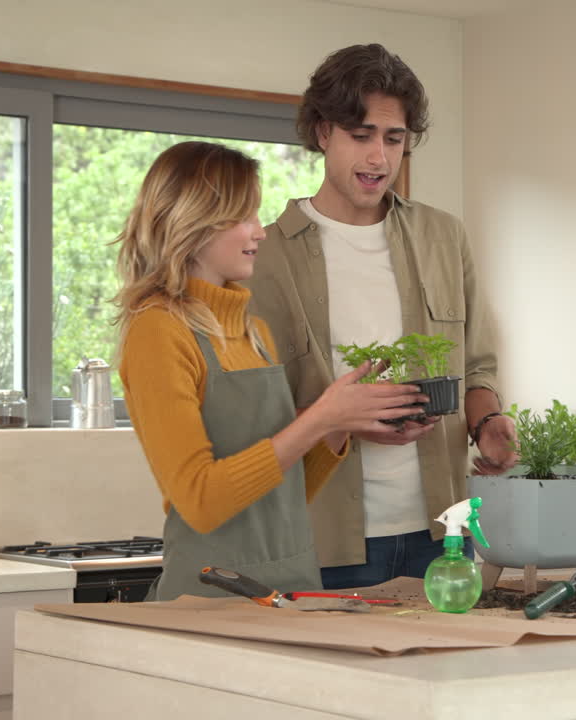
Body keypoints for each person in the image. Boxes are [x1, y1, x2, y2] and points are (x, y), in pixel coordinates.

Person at [247, 44, 519, 590]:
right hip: (324, 538)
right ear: (324, 133)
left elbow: (478, 365)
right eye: (361, 136)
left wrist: (487, 424)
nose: (378, 158)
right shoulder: (265, 255)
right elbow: (253, 411)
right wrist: (343, 417)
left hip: (443, 533)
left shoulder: (445, 236)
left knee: (449, 673)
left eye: (394, 139)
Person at [114, 141, 428, 601]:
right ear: (195, 223)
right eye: (245, 217)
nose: (259, 232)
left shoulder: (252, 330)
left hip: (291, 590)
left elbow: (283, 497)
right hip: (210, 599)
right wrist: (320, 417)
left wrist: (340, 425)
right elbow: (201, 501)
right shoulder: (158, 331)